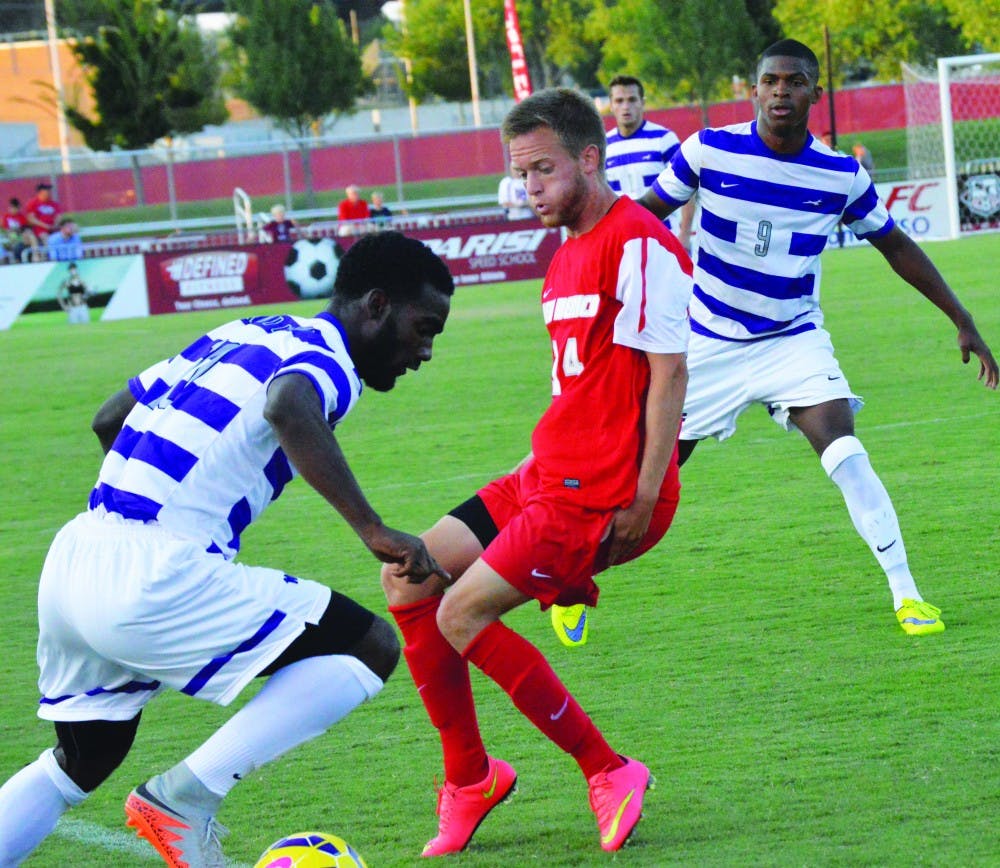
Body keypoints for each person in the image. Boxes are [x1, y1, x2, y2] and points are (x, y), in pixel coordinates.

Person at [0, 231, 456, 867]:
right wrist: (374, 531)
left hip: (76, 557)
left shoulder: (245, 331)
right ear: (377, 305)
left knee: (81, 760)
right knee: (368, 646)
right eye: (423, 328)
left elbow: (111, 416)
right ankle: (183, 799)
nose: (425, 351)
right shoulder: (330, 358)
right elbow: (289, 405)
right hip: (154, 573)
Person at [381, 87, 692, 857]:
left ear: (589, 158)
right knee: (409, 578)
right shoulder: (564, 256)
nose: (531, 189)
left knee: (459, 615)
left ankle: (608, 769)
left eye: (543, 170)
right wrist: (534, 460)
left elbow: (669, 376)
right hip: (549, 473)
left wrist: (643, 495)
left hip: (601, 493)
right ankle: (470, 780)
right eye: (522, 174)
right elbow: (581, 386)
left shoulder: (639, 242)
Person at [633, 38, 997, 635]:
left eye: (795, 81)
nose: (781, 91)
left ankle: (907, 596)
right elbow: (641, 217)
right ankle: (570, 576)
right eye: (771, 80)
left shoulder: (840, 174)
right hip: (707, 341)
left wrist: (962, 318)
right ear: (755, 89)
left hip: (792, 340)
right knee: (646, 476)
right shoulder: (707, 150)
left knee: (845, 450)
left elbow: (895, 245)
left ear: (815, 93)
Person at [604, 75, 696, 247]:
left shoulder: (664, 139)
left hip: (664, 238)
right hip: (623, 242)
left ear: (642, 102)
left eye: (632, 100)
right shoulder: (603, 146)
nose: (626, 106)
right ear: (611, 105)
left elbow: (686, 188)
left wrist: (684, 234)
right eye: (619, 101)